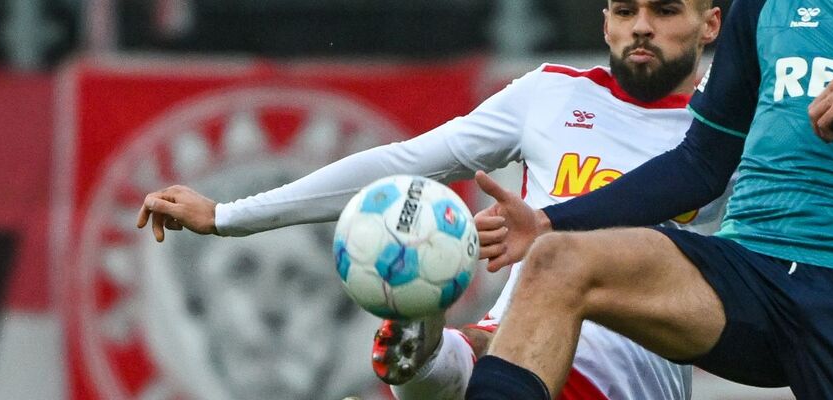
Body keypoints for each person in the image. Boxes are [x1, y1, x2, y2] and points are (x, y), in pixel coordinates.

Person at [464, 0, 833, 399]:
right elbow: (700, 163)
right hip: (750, 272)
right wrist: (547, 220)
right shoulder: (767, 6)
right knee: (558, 262)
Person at [135, 0, 728, 398]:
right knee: (466, 336)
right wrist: (229, 216)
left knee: (479, 357)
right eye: (625, 10)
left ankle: (433, 350)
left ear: (711, 24)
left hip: (628, 374)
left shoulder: (735, 136)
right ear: (605, 23)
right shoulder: (550, 96)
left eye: (666, 8)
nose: (641, 25)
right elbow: (403, 162)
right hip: (520, 346)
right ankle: (424, 336)